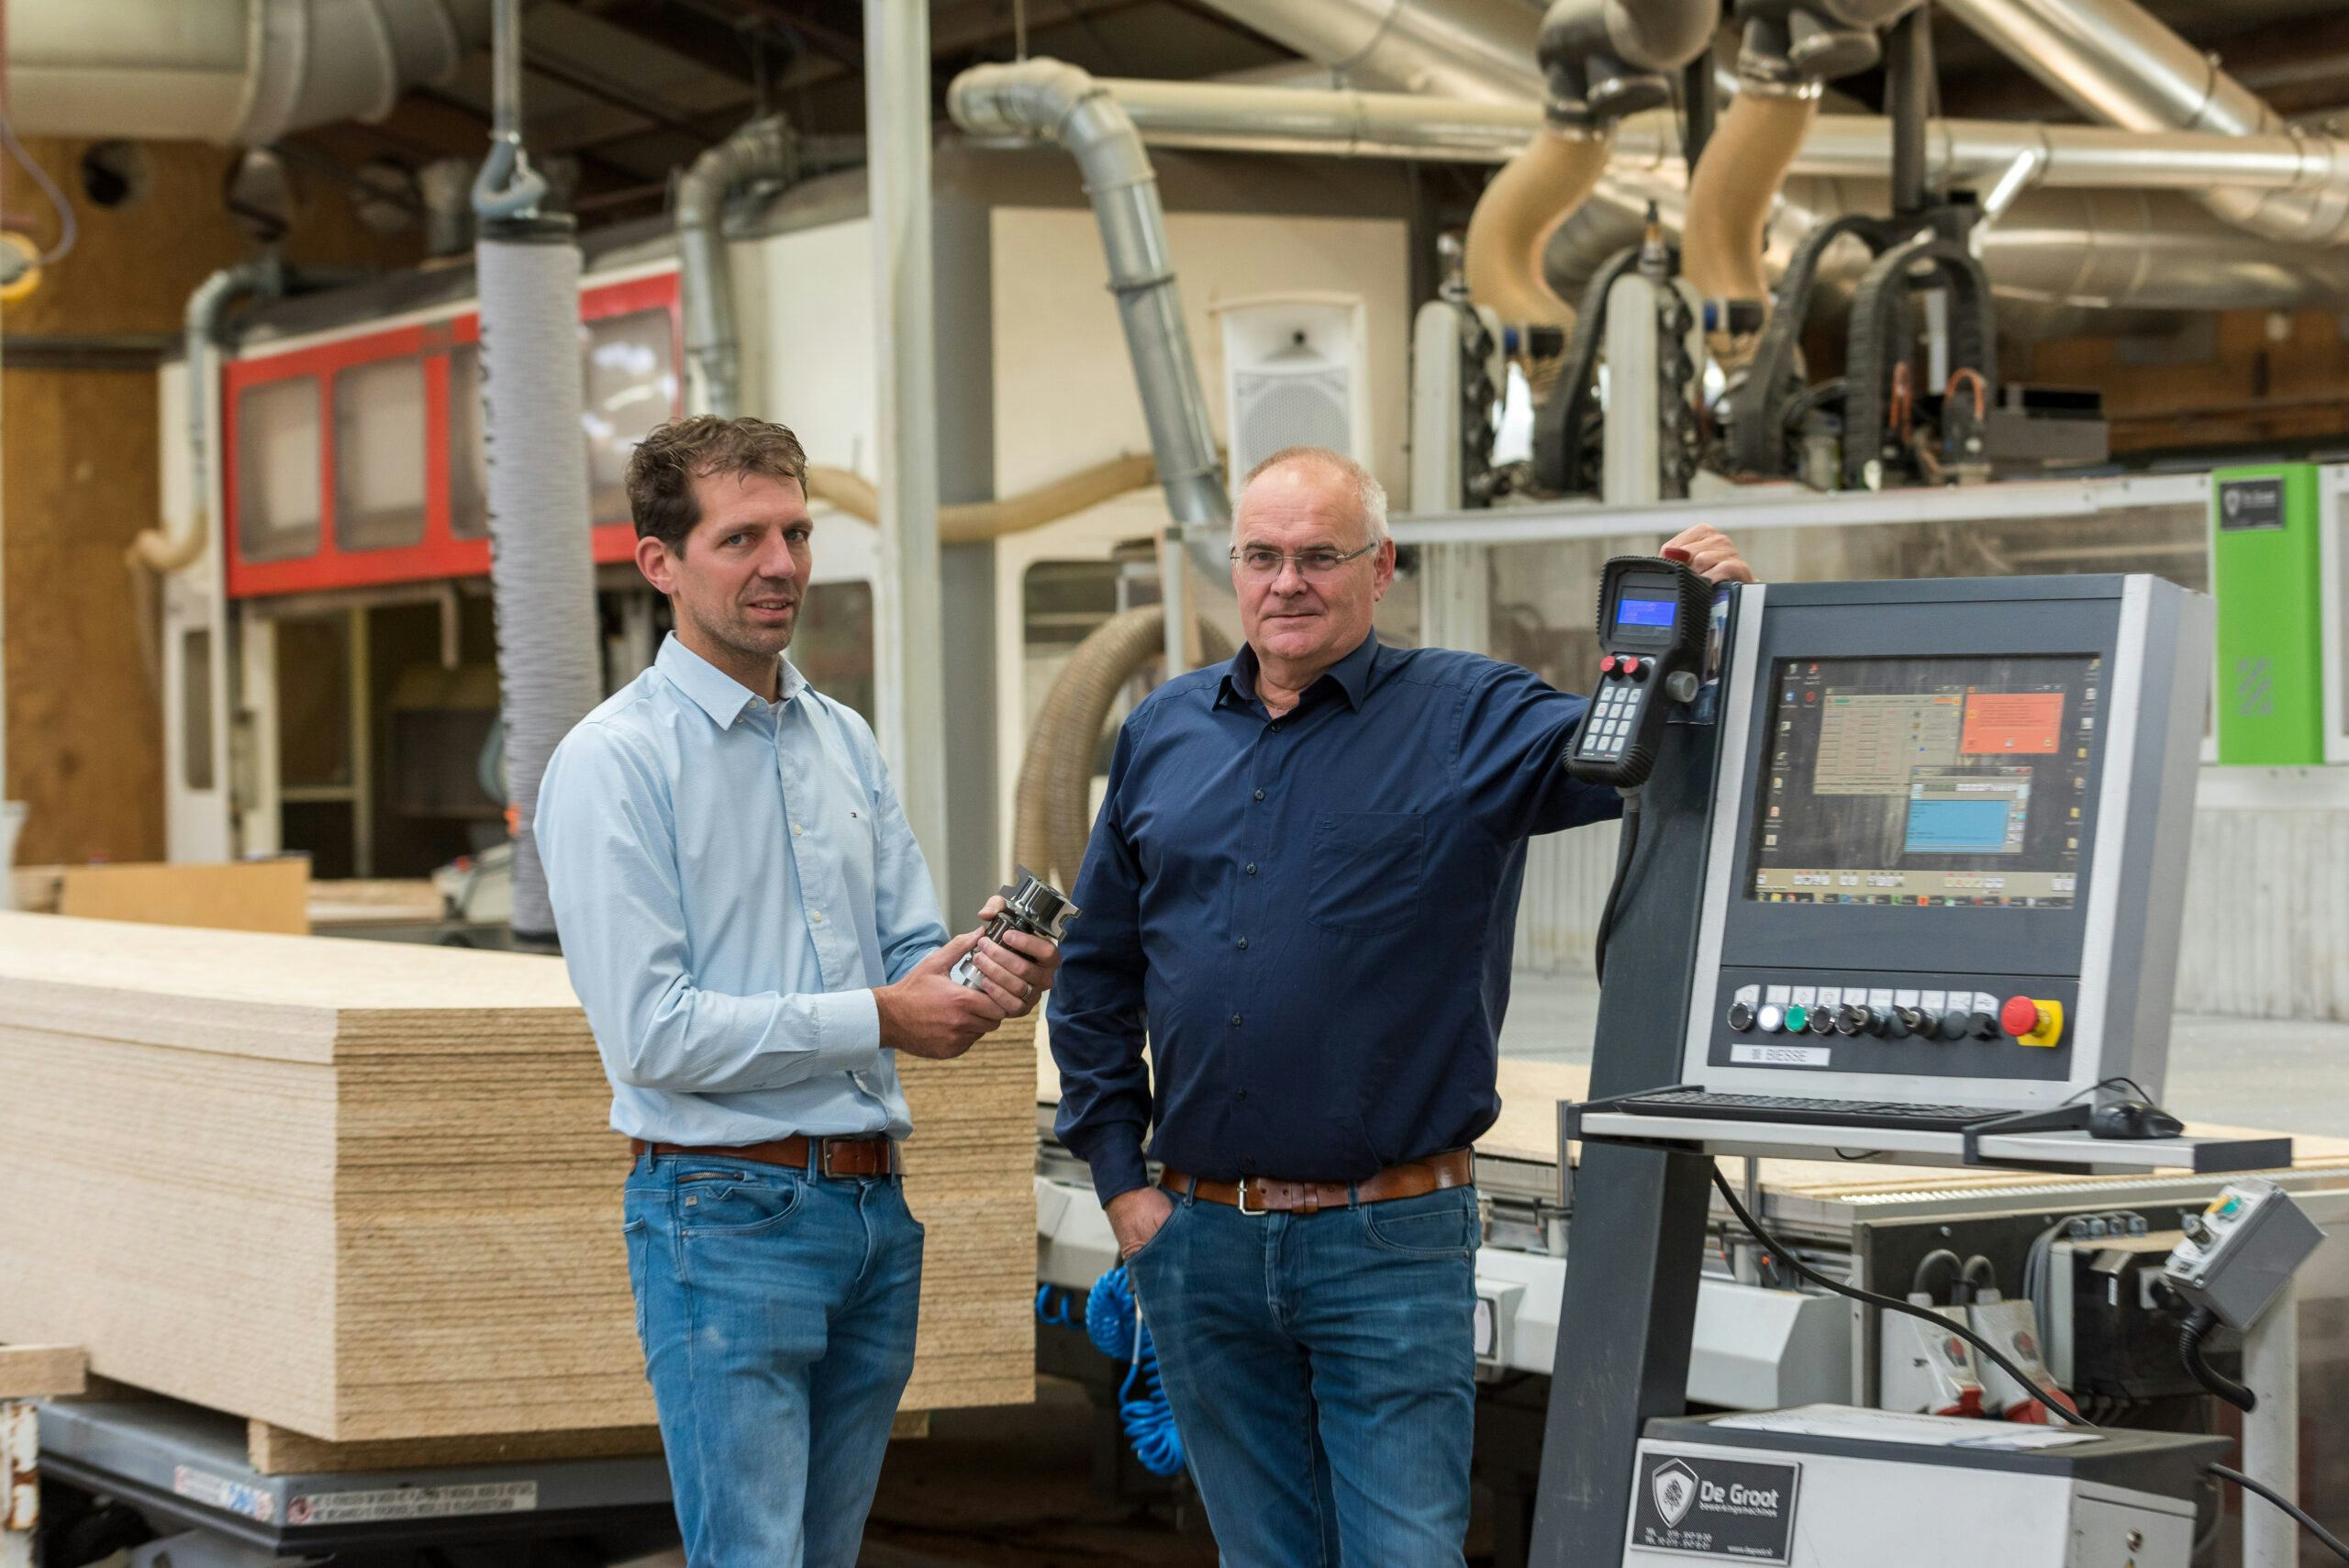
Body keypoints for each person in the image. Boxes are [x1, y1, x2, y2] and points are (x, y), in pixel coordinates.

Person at [1047, 445, 1752, 1566]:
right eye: (1263, 556)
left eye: (1320, 556)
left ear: (1381, 570)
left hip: (1385, 1238)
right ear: (1233, 567)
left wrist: (1714, 634)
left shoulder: (1469, 715)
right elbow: (1096, 970)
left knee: (1406, 1553)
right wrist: (1122, 1183)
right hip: (1199, 1240)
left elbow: (1654, 752)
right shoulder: (1162, 731)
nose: (1288, 581)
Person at [536, 415, 1062, 1568]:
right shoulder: (614, 762)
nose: (780, 564)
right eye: (741, 538)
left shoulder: (842, 742)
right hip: (724, 1218)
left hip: (872, 1214)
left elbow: (913, 962)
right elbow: (650, 1034)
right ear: (660, 562)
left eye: (795, 532)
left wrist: (984, 976)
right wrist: (882, 1013)